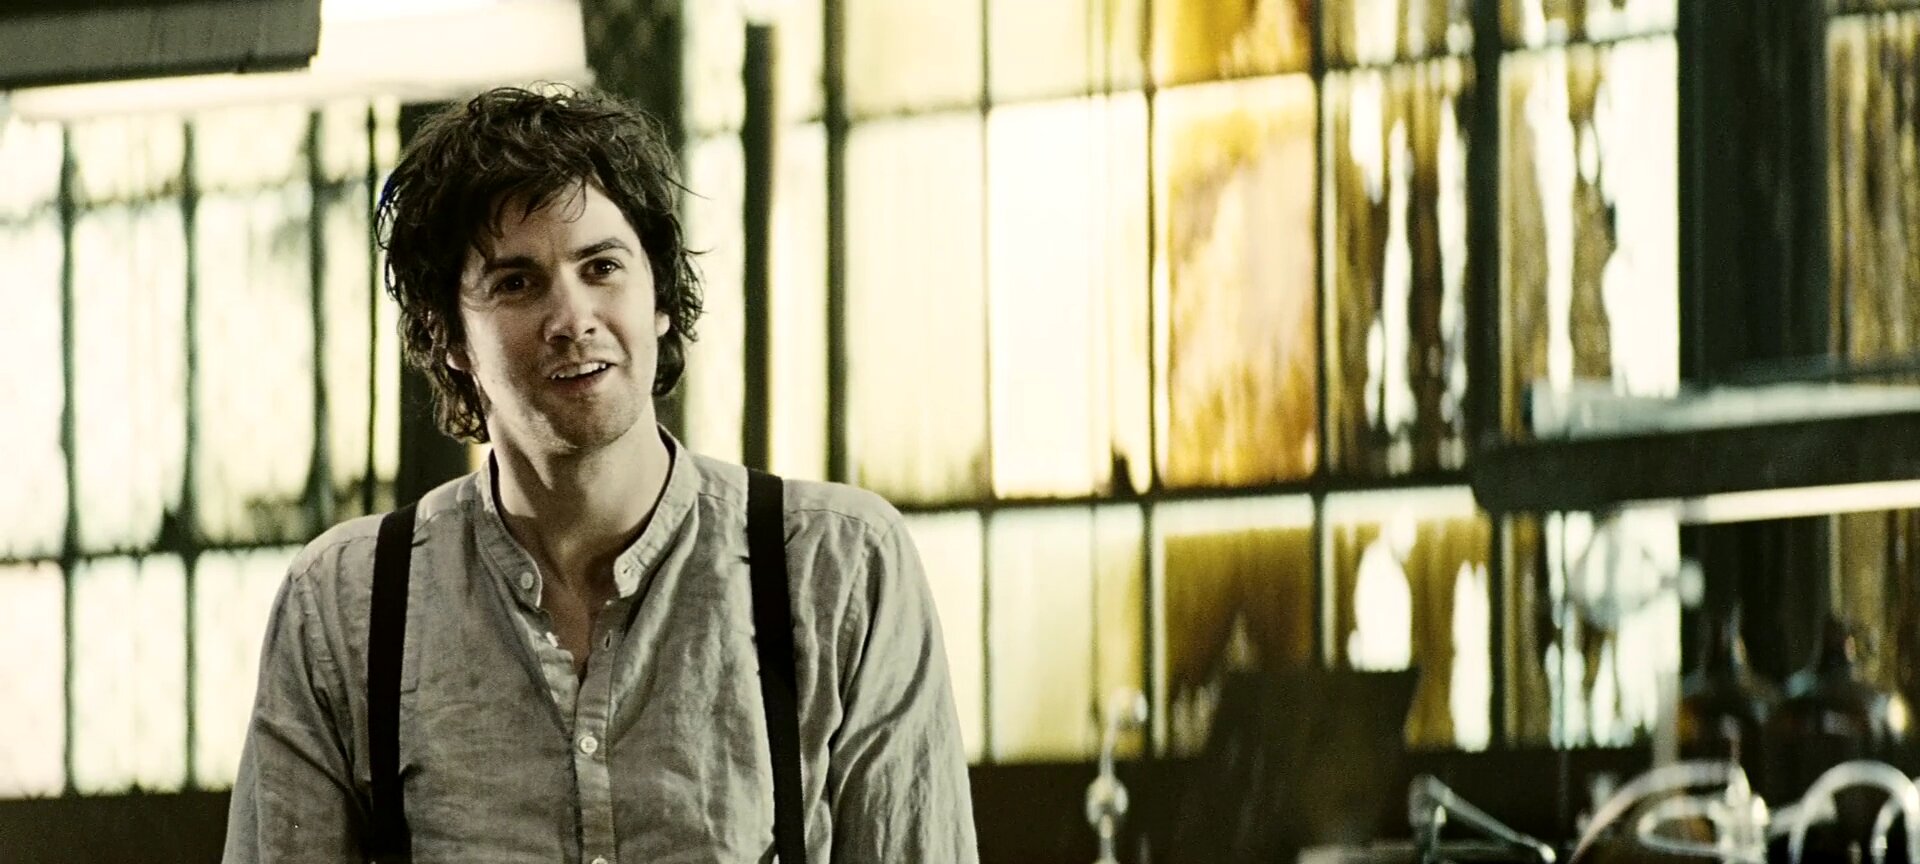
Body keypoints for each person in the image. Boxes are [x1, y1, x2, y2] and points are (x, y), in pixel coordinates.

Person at [223, 85, 978, 863]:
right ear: (448, 335)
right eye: (516, 283)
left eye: (602, 266)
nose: (572, 319)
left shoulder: (838, 568)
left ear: (659, 297)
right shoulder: (345, 604)